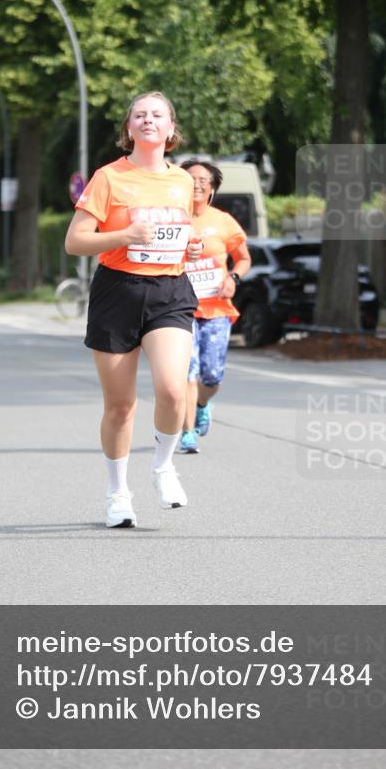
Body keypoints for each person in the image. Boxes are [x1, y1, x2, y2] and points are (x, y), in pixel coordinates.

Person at [65, 91, 203, 529]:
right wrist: (124, 235)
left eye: (157, 115)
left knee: (173, 390)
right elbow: (75, 241)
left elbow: (180, 233)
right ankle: (117, 493)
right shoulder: (108, 177)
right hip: (118, 291)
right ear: (129, 128)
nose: (148, 120)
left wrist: (190, 246)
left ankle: (163, 466)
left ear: (170, 128)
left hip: (170, 290)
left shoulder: (182, 181)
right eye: (139, 115)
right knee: (121, 406)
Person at [178, 160, 251, 453]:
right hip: (180, 309)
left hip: (217, 309)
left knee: (211, 375)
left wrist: (233, 278)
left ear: (212, 188)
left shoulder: (223, 221)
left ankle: (201, 404)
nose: (196, 184)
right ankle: (187, 432)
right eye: (190, 179)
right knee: (187, 371)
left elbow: (244, 258)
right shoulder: (172, 219)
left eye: (202, 180)